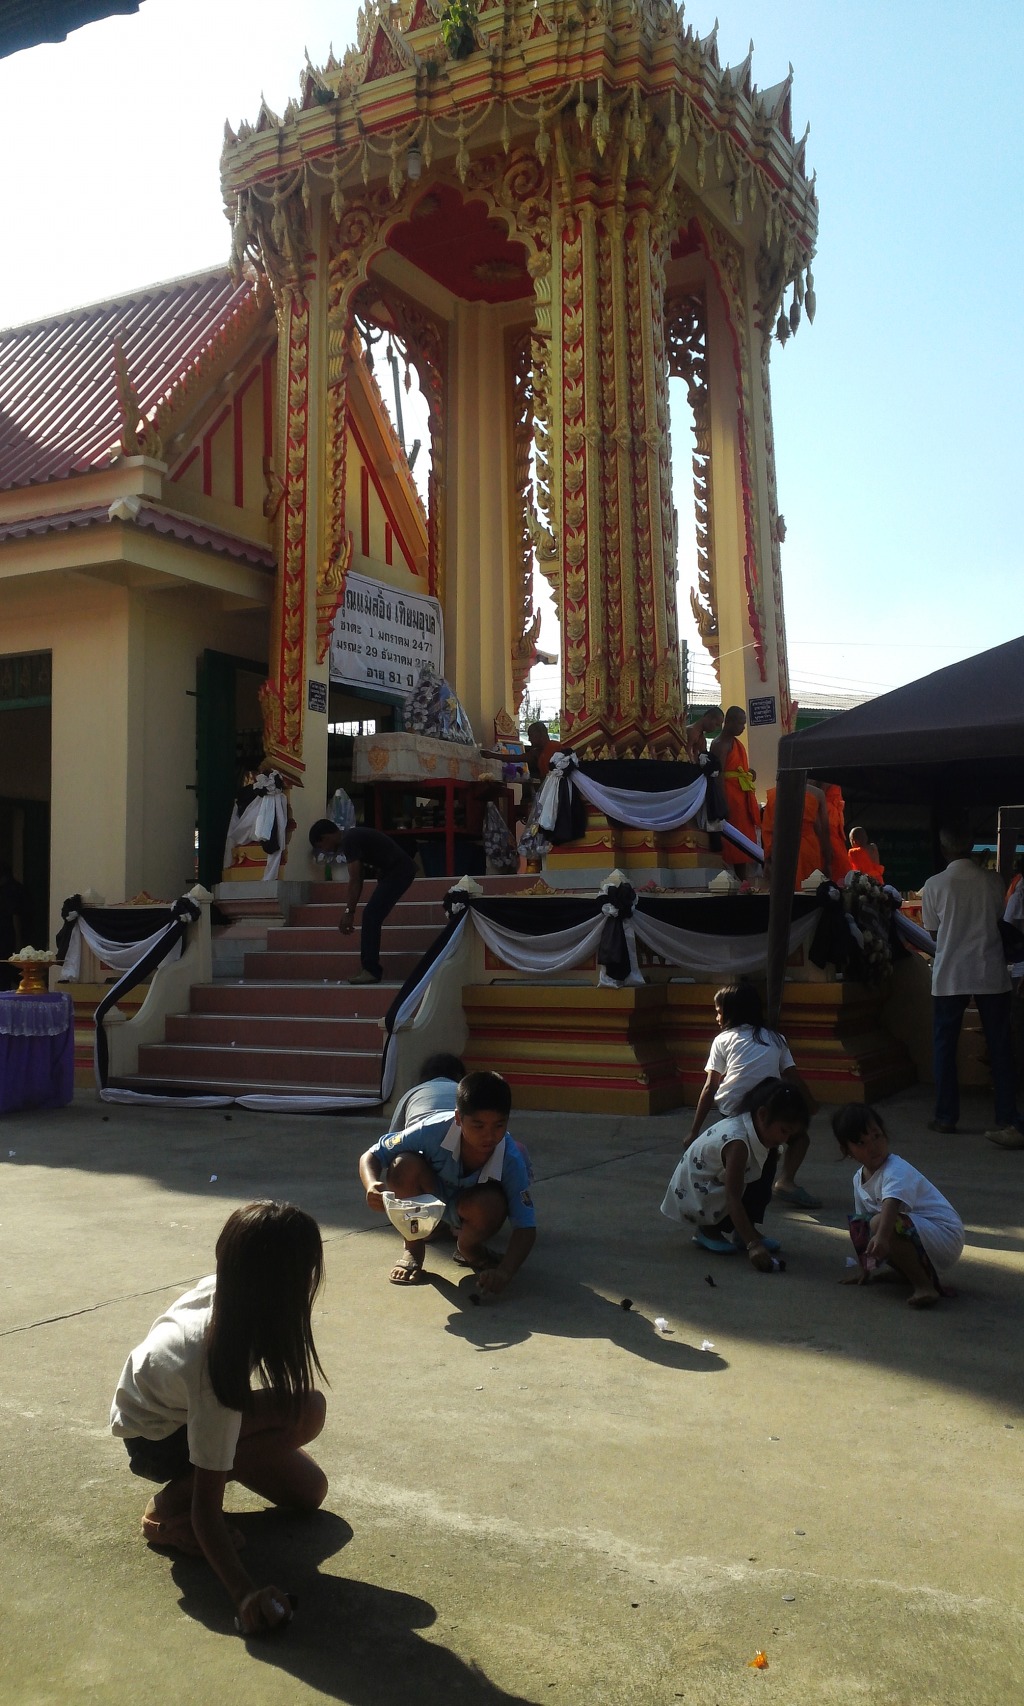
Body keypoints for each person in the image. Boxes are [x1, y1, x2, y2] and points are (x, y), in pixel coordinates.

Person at [110, 1201, 328, 1635]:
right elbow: (208, 1513)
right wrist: (245, 1593)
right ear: (284, 1284)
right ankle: (164, 1512)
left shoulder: (233, 1290)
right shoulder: (216, 1363)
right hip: (157, 1439)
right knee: (307, 1411)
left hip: (177, 1410)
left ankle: (197, 1481)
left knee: (310, 1491)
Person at [358, 1069, 536, 1291]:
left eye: (499, 1125)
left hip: (472, 1205)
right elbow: (372, 1155)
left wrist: (505, 1272)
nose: (489, 1136)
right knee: (402, 1166)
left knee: (493, 1203)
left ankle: (469, 1248)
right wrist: (371, 1184)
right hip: (433, 1191)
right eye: (478, 1126)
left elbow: (526, 1226)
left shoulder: (511, 1158)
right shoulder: (431, 1130)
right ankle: (413, 1248)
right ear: (458, 1119)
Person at [920, 822, 1023, 1145]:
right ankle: (1007, 1116)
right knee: (1000, 1046)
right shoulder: (992, 881)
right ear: (972, 845)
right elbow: (999, 920)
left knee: (945, 1046)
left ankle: (945, 1116)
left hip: (951, 974)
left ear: (943, 849)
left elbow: (933, 933)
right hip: (989, 971)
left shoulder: (934, 885)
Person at [687, 983, 820, 1207]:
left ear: (731, 1012)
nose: (717, 1018)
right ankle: (786, 1180)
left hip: (733, 1111)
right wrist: (811, 1104)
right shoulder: (776, 1038)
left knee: (744, 1152)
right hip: (769, 1111)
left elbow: (710, 1087)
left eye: (719, 1012)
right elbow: (793, 1077)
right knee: (800, 1138)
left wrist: (694, 1131)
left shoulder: (722, 1040)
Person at [660, 1078, 810, 1269]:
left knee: (766, 1166)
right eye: (783, 1131)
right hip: (698, 1192)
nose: (785, 1138)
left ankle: (745, 1230)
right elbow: (733, 1197)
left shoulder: (756, 1131)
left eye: (790, 1134)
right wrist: (753, 1246)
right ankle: (708, 1230)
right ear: (762, 1115)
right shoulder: (737, 1143)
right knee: (743, 1182)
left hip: (720, 1182)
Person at [832, 1104, 964, 1308]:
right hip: (920, 1235)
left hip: (945, 1234)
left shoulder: (896, 1169)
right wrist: (865, 1269)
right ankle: (908, 1273)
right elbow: (861, 1228)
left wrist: (881, 1237)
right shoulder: (858, 1179)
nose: (873, 1146)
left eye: (877, 1136)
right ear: (847, 1150)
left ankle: (924, 1286)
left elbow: (891, 1207)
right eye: (861, 1142)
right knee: (875, 1229)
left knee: (881, 1226)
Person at [309, 819, 416, 985]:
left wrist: (349, 912)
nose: (325, 850)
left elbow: (355, 879)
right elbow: (361, 874)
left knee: (371, 915)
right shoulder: (351, 837)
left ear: (325, 837)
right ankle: (370, 969)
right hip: (393, 871)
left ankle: (371, 970)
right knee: (372, 915)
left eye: (321, 846)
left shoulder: (349, 840)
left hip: (399, 871)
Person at [708, 706, 761, 880]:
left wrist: (748, 773)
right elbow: (718, 774)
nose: (743, 727)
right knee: (734, 839)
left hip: (741, 796)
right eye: (740, 723)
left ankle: (743, 878)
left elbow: (734, 768)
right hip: (730, 797)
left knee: (744, 838)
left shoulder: (735, 743)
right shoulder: (720, 744)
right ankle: (737, 879)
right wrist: (722, 802)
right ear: (729, 722)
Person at [762, 781, 831, 885]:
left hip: (782, 847)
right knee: (810, 886)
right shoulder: (817, 793)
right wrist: (827, 860)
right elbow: (824, 829)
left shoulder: (776, 793)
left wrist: (768, 858)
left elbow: (768, 828)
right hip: (809, 847)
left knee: (785, 887)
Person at [389, 1052, 465, 1132]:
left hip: (418, 1135)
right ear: (460, 1075)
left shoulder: (412, 1093)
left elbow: (393, 1135)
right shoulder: (465, 1092)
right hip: (460, 1134)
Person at [0, 859, 27, 992]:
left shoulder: (11, 890)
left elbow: (17, 916)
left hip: (6, 936)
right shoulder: (16, 888)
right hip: (8, 937)